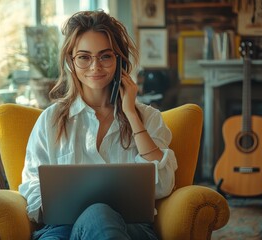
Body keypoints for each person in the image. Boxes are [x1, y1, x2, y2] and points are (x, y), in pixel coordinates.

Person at [19, 10, 177, 240]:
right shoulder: (51, 120)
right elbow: (32, 183)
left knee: (100, 213)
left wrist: (131, 114)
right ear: (71, 62)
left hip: (130, 229)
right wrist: (54, 206)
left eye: (105, 56)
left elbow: (163, 185)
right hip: (62, 230)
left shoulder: (148, 117)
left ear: (120, 60)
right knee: (94, 214)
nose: (95, 67)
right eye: (84, 57)